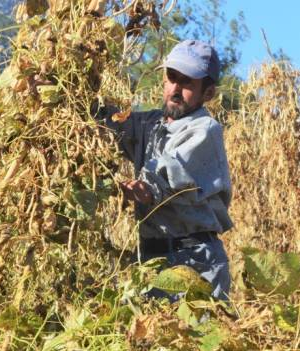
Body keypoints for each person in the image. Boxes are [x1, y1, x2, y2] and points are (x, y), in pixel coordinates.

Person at [102, 40, 233, 300]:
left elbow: (162, 178)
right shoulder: (150, 125)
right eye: (172, 77)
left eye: (187, 83)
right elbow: (105, 123)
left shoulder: (204, 130)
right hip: (152, 260)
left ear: (208, 93)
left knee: (193, 338)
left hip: (194, 262)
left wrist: (134, 189)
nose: (175, 89)